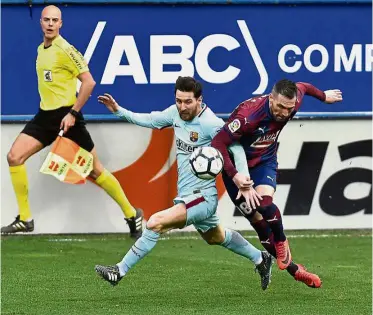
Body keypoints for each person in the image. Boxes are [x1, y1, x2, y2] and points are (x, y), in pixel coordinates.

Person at [94, 76, 273, 290]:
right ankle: (261, 258)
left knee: (154, 223)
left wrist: (242, 176)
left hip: (203, 197)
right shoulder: (174, 114)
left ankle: (119, 271)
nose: (182, 106)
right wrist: (118, 110)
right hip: (187, 193)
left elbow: (234, 148)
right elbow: (149, 119)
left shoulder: (211, 124)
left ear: (199, 100)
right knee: (216, 237)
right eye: (179, 100)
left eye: (187, 101)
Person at [1, 5, 143, 238]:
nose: (50, 24)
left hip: (67, 117)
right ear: (40, 22)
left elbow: (88, 82)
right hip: (45, 117)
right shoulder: (41, 49)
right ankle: (25, 219)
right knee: (14, 157)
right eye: (46, 19)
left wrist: (73, 113)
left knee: (96, 171)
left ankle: (131, 213)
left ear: (60, 24)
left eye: (54, 20)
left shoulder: (66, 49)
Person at [211, 79, 343, 288]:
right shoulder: (248, 116)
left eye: (288, 108)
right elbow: (218, 142)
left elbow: (303, 86)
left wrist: (324, 97)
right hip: (236, 170)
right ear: (271, 98)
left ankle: (281, 241)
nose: (284, 113)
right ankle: (297, 271)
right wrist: (236, 175)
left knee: (264, 204)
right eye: (280, 106)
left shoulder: (293, 102)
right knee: (261, 228)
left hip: (264, 161)